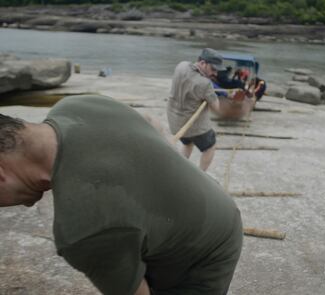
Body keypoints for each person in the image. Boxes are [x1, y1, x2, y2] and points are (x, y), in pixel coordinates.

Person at [0, 95, 243, 295]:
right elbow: (152, 123)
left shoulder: (82, 228)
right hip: (216, 202)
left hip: (207, 252)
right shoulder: (76, 105)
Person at [167, 48, 226, 171]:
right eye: (213, 69)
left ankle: (180, 169)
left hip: (175, 123)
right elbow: (217, 108)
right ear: (203, 63)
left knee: (187, 143)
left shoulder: (181, 66)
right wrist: (211, 94)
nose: (215, 73)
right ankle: (201, 175)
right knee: (210, 147)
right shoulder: (205, 83)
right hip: (193, 126)